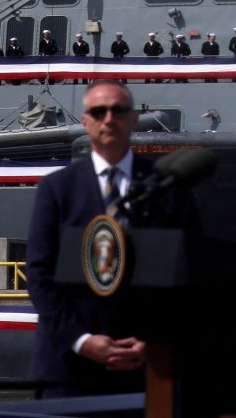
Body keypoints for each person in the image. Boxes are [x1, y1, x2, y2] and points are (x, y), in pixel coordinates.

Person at [26, 81, 197, 398]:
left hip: (147, 365)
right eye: (98, 111)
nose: (109, 119)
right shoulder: (57, 189)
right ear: (85, 120)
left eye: (118, 110)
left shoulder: (169, 187)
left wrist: (152, 339)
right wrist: (82, 340)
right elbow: (39, 275)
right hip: (69, 366)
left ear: (134, 119)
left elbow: (189, 271)